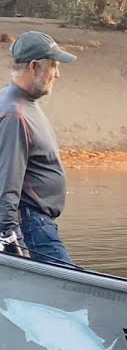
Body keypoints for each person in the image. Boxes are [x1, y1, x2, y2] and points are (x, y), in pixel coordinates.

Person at [0, 31, 77, 264]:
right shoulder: (15, 113)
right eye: (53, 66)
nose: (57, 74)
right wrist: (11, 237)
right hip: (31, 226)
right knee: (73, 294)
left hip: (36, 224)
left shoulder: (20, 103)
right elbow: (7, 181)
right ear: (34, 67)